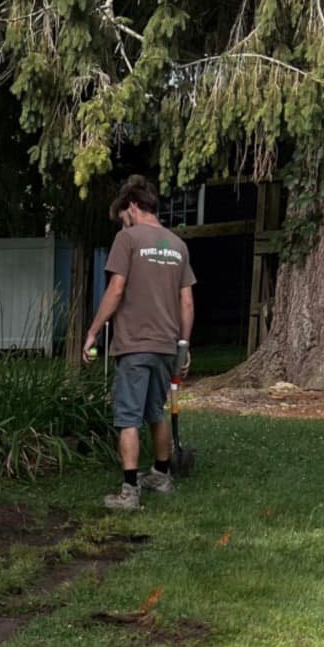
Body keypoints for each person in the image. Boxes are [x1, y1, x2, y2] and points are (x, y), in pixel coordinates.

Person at [83, 176, 196, 512]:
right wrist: (183, 346)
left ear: (132, 206)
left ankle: (129, 492)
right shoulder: (178, 245)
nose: (123, 222)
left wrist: (94, 331)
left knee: (128, 417)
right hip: (165, 344)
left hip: (134, 345)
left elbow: (116, 290)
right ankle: (161, 476)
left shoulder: (127, 239)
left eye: (122, 215)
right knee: (154, 412)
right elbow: (186, 302)